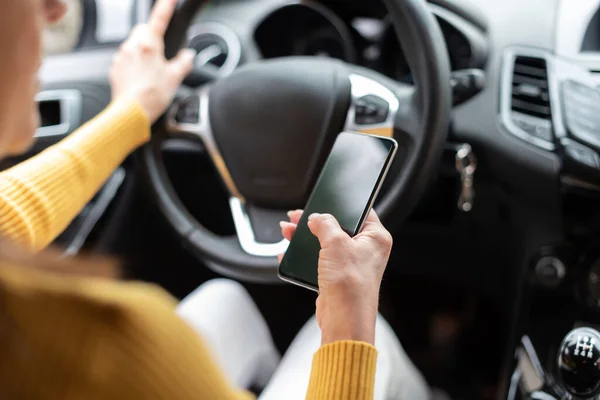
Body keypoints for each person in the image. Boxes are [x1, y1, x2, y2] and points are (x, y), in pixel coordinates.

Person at [0, 0, 430, 399]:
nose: (56, 9)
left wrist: (133, 108)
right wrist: (351, 325)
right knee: (380, 346)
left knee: (227, 301)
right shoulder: (119, 348)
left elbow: (8, 215)